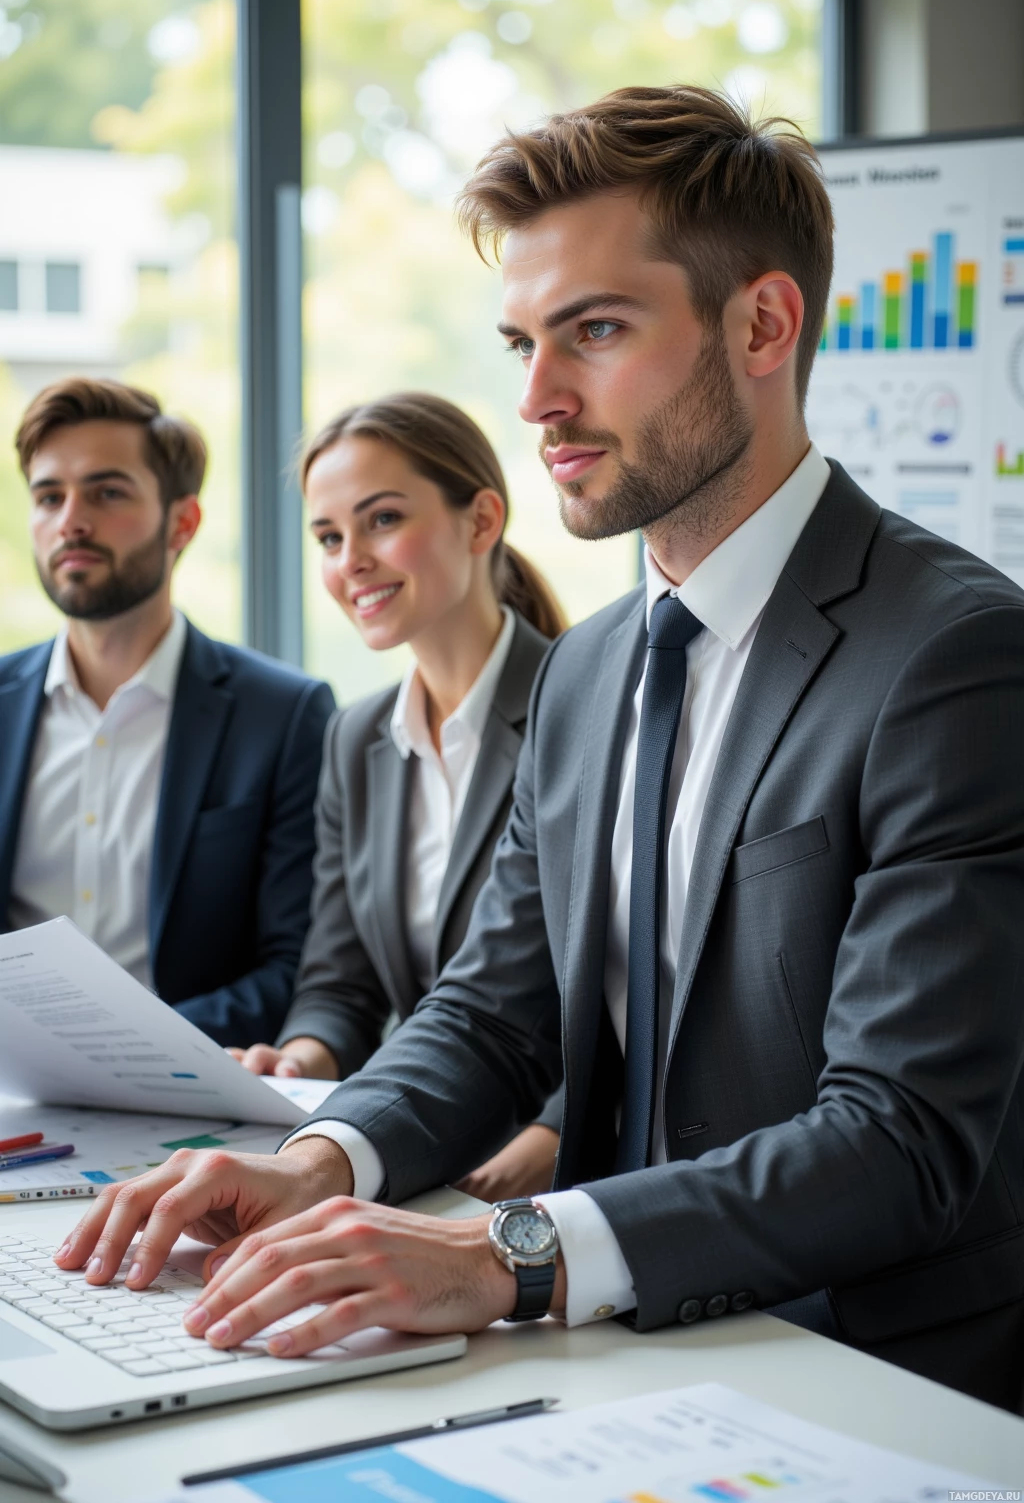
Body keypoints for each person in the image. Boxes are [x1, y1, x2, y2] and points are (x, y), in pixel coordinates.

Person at [58, 88, 1024, 1412]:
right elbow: (494, 1011)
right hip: (623, 1356)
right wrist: (323, 1161)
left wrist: (498, 1253)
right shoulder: (587, 669)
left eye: (597, 332)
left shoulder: (954, 655)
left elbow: (900, 1140)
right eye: (521, 341)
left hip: (872, 1373)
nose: (537, 398)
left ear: (764, 323)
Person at [230, 392, 566, 1199]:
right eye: (328, 537)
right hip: (423, 1141)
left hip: (563, 1160)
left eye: (382, 520)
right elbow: (342, 982)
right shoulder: (357, 738)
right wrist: (302, 1054)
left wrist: (552, 1129)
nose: (350, 561)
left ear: (482, 521)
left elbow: (631, 980)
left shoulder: (581, 706)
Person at [0, 377, 335, 1046]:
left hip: (189, 1094)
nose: (71, 520)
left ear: (182, 522)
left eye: (107, 491)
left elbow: (297, 967)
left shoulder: (285, 714)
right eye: (49, 496)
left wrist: (116, 1047)